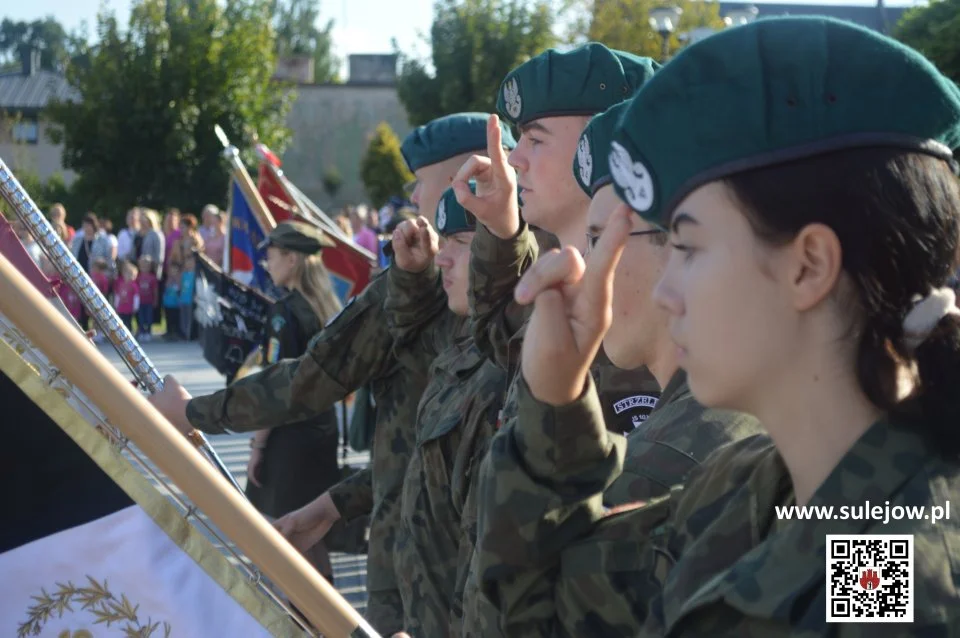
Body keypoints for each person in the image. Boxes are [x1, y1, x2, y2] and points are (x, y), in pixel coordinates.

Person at [479, 16, 960, 635]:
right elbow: (544, 610)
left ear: (808, 266)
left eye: (689, 248)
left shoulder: (894, 566)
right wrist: (556, 397)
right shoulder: (753, 490)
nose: (666, 291)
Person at [147, 113, 517, 635]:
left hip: (436, 587)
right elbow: (424, 446)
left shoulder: (468, 289)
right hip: (417, 567)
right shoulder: (441, 279)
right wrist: (333, 505)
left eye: (422, 178)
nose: (413, 192)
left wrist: (191, 412)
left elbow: (307, 381)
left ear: (471, 174)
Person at [450, 43, 663, 637]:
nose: (513, 160)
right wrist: (503, 229)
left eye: (699, 245)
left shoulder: (867, 499)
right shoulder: (786, 466)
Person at [279, 187, 508, 637]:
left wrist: (197, 414)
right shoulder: (454, 350)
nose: (441, 258)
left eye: (459, 243)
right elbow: (421, 462)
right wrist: (329, 507)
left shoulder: (505, 369)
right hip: (403, 582)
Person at [244, 222, 344, 583]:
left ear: (292, 258)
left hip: (290, 441)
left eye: (271, 256)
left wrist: (258, 445)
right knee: (310, 539)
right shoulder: (327, 308)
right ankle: (328, 619)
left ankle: (313, 622)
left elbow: (276, 389)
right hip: (321, 433)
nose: (267, 263)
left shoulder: (283, 313)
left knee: (289, 537)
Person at [136, 255, 159, 341]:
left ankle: (148, 332)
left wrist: (155, 300)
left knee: (149, 317)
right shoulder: (137, 276)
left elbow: (155, 290)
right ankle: (142, 331)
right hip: (140, 302)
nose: (144, 267)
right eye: (143, 265)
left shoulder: (153, 278)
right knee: (141, 318)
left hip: (149, 301)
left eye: (147, 266)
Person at [113, 261, 139, 332]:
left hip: (129, 307)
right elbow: (117, 295)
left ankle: (130, 332)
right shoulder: (120, 284)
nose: (129, 276)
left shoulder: (134, 286)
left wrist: (135, 306)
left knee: (129, 321)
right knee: (121, 321)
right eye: (127, 274)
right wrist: (116, 304)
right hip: (121, 307)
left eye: (131, 274)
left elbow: (136, 297)